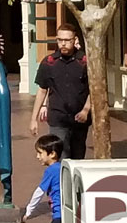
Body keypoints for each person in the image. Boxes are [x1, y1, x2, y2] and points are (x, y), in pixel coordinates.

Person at [30, 24, 90, 160]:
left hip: (79, 120)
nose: (63, 44)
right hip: (58, 118)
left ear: (75, 40)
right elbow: (42, 90)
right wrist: (33, 119)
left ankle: (75, 182)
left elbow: (93, 89)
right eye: (60, 40)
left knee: (78, 157)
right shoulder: (49, 63)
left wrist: (86, 110)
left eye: (67, 40)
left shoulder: (85, 62)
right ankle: (61, 182)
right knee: (60, 156)